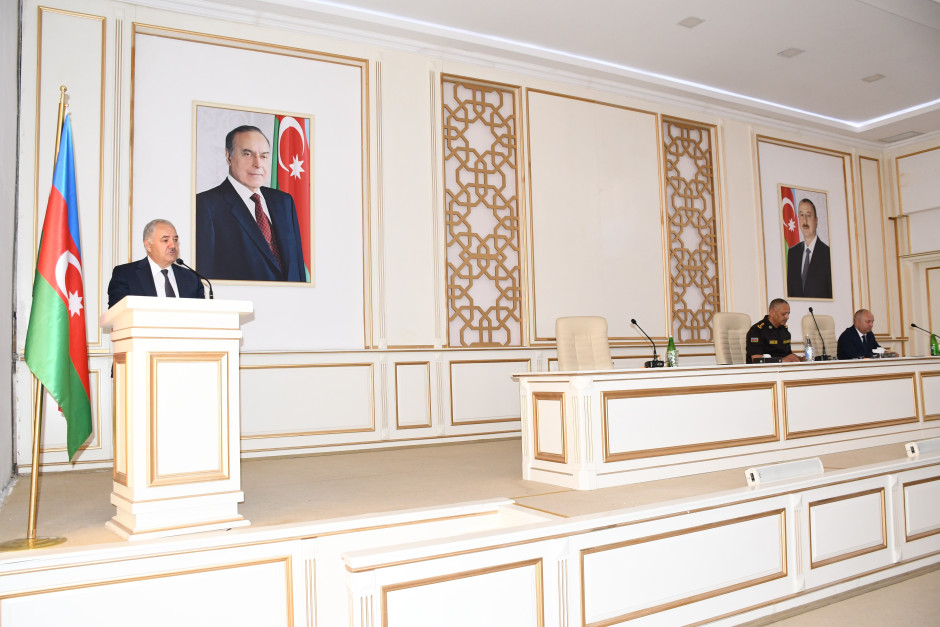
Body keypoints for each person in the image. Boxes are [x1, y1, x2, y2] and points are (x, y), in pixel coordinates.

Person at [196, 125, 306, 282]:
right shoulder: (205, 206)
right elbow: (204, 278)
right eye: (248, 154)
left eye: (264, 156)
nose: (258, 163)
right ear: (228, 157)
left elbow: (298, 267)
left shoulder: (284, 202)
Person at [108, 219, 206, 308]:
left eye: (175, 240)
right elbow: (116, 315)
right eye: (165, 240)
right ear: (148, 245)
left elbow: (201, 315)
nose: (173, 245)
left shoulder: (192, 278)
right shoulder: (126, 275)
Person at [786, 198, 832, 299]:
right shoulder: (792, 253)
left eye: (809, 215)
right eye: (802, 215)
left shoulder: (828, 254)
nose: (805, 220)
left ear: (816, 221)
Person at [746, 298, 802, 363]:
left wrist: (802, 358)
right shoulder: (757, 331)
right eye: (784, 314)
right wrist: (782, 360)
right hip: (764, 369)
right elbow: (757, 360)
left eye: (788, 314)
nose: (787, 317)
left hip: (782, 368)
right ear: (772, 313)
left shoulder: (784, 330)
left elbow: (787, 356)